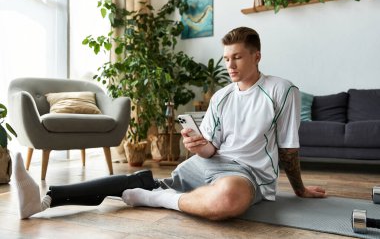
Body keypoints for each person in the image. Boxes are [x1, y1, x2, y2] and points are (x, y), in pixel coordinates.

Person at [14, 26, 326, 221]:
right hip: (207, 167)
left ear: (257, 56)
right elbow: (211, 149)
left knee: (230, 196)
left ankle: (156, 198)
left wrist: (298, 190)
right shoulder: (220, 97)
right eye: (226, 58)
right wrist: (198, 145)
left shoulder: (282, 90)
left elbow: (288, 148)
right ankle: (44, 200)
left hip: (247, 174)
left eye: (238, 57)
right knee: (137, 179)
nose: (229, 65)